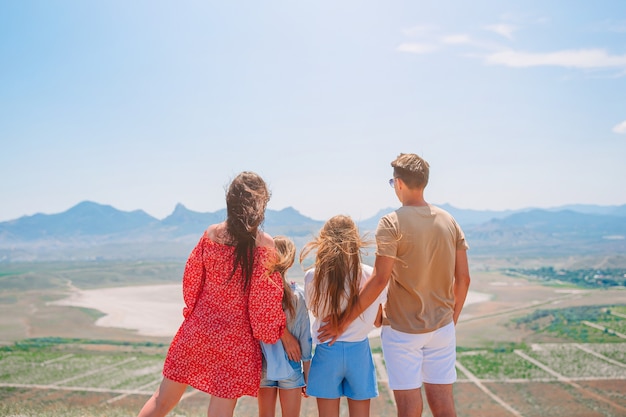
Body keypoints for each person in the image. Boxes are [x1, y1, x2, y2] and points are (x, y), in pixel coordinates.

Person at [319, 153, 471, 417]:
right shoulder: (449, 221)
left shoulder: (391, 223)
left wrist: (342, 322)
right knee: (444, 405)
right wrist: (452, 319)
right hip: (442, 327)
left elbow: (379, 280)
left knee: (409, 407)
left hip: (402, 330)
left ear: (399, 183)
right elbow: (464, 279)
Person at [137, 171, 287, 417]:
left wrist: (194, 316)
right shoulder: (264, 244)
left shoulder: (210, 234)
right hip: (236, 340)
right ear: (260, 205)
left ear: (230, 201)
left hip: (198, 330)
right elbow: (263, 307)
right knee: (221, 411)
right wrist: (272, 333)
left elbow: (192, 282)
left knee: (162, 400)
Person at [302, 215, 387, 417]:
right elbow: (378, 320)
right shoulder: (370, 275)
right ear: (355, 240)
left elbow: (315, 311)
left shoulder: (312, 276)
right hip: (359, 352)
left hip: (327, 351)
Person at [258, 236, 312, 417]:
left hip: (264, 362)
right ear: (289, 262)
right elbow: (305, 337)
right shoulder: (298, 295)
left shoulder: (260, 293)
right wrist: (307, 374)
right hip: (292, 362)